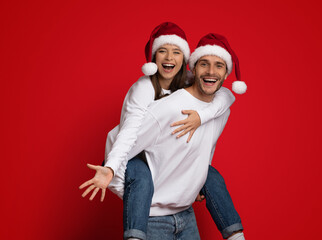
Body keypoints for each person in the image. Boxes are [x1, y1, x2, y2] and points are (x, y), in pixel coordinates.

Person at [79, 23, 243, 239]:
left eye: (176, 52)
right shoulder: (145, 90)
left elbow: (225, 96)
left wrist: (202, 119)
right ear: (153, 58)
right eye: (162, 51)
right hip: (132, 153)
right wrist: (110, 168)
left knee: (209, 174)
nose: (169, 58)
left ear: (185, 62)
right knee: (142, 179)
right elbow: (128, 134)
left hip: (179, 203)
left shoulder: (190, 84)